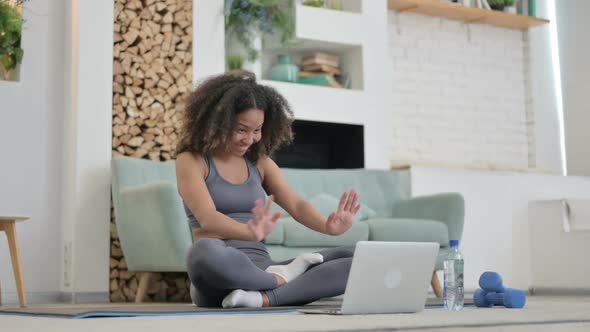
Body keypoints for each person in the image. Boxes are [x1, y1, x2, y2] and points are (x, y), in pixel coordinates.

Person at [175, 71, 361, 308]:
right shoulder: (192, 160)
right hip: (219, 275)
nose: (250, 139)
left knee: (356, 257)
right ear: (216, 122)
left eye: (257, 130)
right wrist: (248, 232)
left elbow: (296, 204)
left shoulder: (259, 163)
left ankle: (261, 298)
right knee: (202, 252)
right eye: (241, 129)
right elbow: (208, 219)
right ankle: (282, 280)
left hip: (262, 265)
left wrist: (328, 226)